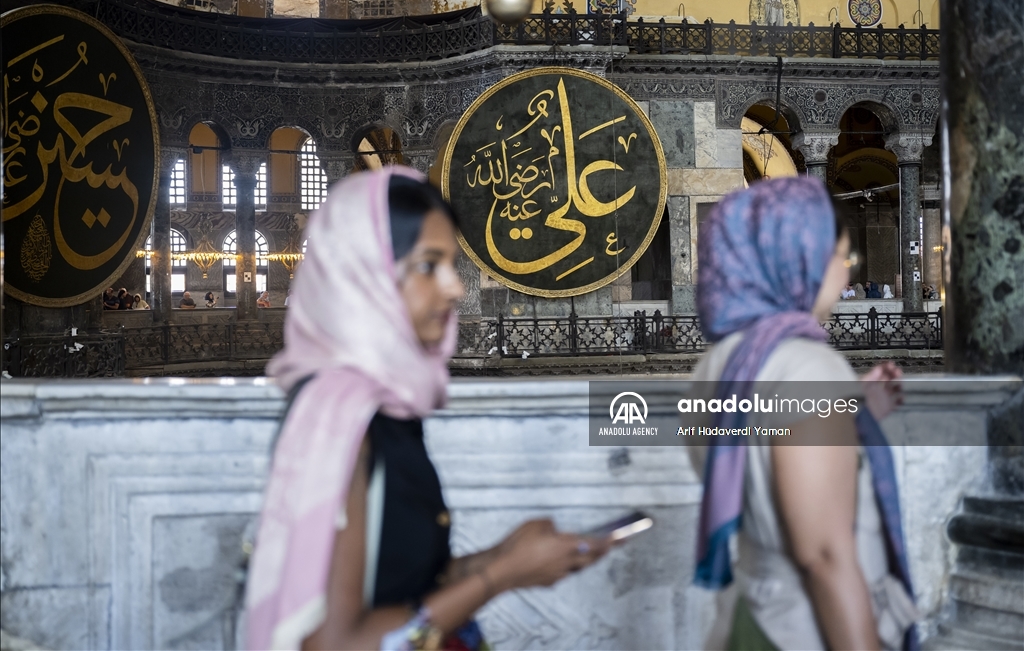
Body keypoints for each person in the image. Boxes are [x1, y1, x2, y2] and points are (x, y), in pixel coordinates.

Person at [245, 167, 610, 651]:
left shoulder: (383, 406)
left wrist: (505, 555)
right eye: (427, 266)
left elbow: (403, 584)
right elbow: (333, 644)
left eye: (450, 265)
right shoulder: (338, 421)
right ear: (363, 275)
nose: (454, 288)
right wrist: (501, 575)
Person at [687, 177, 918, 651]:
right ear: (797, 258)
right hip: (804, 632)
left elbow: (765, 447)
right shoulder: (807, 366)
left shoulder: (722, 362)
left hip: (749, 617)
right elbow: (825, 556)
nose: (845, 278)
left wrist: (848, 414)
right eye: (840, 258)